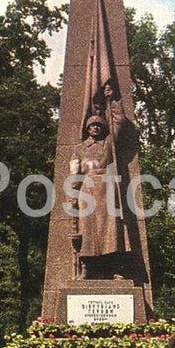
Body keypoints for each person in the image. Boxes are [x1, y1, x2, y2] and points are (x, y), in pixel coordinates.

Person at [69, 83, 130, 278]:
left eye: (98, 125)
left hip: (107, 190)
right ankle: (86, 268)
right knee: (86, 231)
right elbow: (74, 174)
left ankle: (116, 268)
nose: (95, 127)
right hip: (86, 192)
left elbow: (120, 121)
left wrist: (114, 101)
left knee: (111, 231)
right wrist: (72, 197)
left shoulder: (109, 143)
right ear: (87, 128)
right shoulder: (79, 149)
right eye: (92, 125)